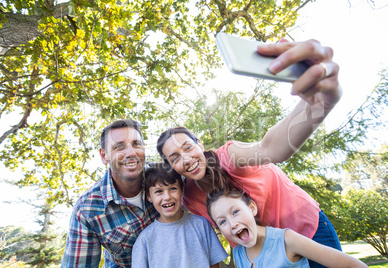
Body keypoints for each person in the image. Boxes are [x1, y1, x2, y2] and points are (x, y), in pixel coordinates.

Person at [156, 39, 343, 268]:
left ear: (199, 144)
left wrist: (317, 105)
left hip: (306, 230)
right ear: (170, 166)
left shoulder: (230, 156)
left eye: (187, 148)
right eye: (174, 158)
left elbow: (271, 148)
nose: (185, 159)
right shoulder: (189, 197)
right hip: (261, 255)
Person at [62, 119, 159, 267]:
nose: (131, 153)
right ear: (104, 156)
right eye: (119, 147)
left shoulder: (168, 178)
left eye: (136, 144)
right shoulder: (88, 210)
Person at [206, 188, 368, 268]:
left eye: (235, 212)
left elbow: (352, 265)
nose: (232, 224)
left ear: (252, 208)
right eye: (222, 222)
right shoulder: (238, 255)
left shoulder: (286, 240)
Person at [131, 163, 228, 268]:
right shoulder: (144, 240)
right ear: (149, 197)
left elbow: (214, 265)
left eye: (173, 189)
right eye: (159, 191)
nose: (167, 197)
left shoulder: (202, 225)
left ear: (182, 189)